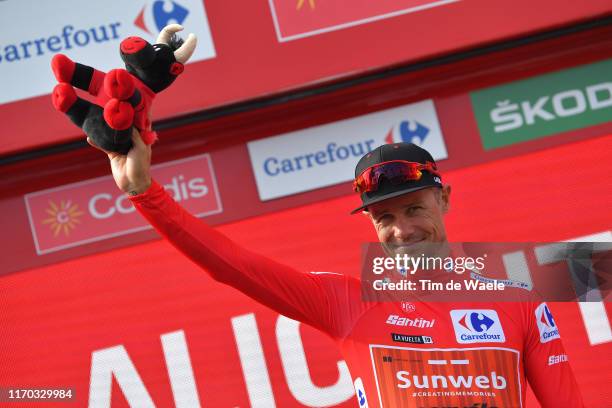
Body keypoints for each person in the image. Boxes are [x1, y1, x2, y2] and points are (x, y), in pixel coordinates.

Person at [90, 130, 584, 407]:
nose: (403, 231)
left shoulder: (518, 299)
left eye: (414, 209)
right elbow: (232, 266)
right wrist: (144, 193)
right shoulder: (347, 301)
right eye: (384, 217)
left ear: (445, 198)